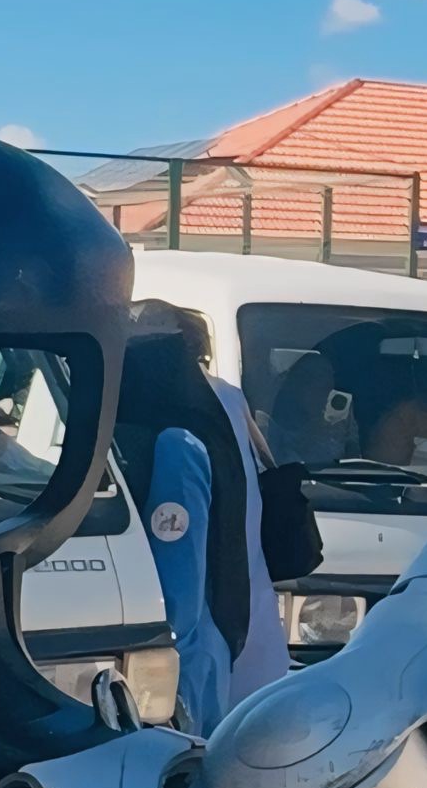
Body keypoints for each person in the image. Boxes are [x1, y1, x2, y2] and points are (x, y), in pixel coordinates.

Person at [114, 301, 295, 731]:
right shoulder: (219, 408)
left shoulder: (175, 444)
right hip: (249, 640)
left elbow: (181, 587)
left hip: (201, 658)